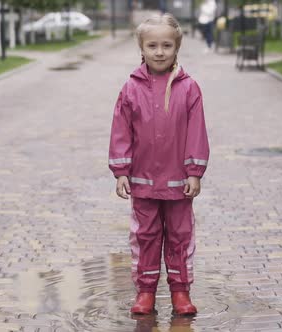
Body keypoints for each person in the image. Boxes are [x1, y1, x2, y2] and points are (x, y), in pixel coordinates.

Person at [108, 13, 210, 316]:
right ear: (142, 48)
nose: (160, 52)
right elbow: (121, 130)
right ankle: (145, 292)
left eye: (167, 45)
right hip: (143, 180)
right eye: (152, 45)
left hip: (179, 181)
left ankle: (181, 292)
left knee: (180, 235)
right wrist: (121, 171)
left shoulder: (189, 88)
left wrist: (195, 172)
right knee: (145, 236)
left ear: (177, 47)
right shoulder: (131, 88)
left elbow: (196, 132)